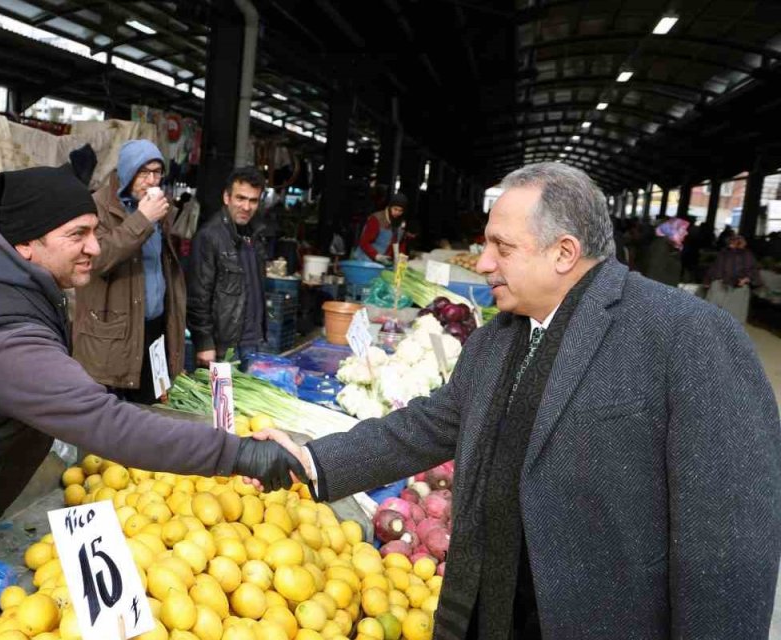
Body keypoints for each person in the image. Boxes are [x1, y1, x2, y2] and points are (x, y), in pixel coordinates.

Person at [256, 162, 781, 639]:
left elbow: (729, 545)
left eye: (502, 248)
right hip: (494, 613)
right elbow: (425, 426)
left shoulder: (684, 335)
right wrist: (309, 460)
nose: (483, 264)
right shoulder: (498, 337)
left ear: (564, 252)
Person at [0, 163, 305, 550]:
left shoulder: (3, 279)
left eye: (93, 230)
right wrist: (239, 453)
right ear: (27, 244)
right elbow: (106, 423)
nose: (94, 246)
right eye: (78, 234)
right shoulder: (0, 337)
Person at [73, 140, 184, 403]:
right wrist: (142, 220)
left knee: (152, 411)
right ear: (126, 171)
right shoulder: (96, 206)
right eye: (143, 173)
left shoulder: (157, 209)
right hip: (114, 337)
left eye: (157, 172)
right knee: (114, 423)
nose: (151, 180)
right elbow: (95, 259)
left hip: (154, 332)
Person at [187, 167, 269, 366]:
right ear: (227, 197)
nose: (246, 207)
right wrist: (204, 343)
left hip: (252, 340)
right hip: (225, 347)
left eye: (253, 200)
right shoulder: (210, 236)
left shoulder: (255, 235)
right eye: (240, 198)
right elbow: (198, 296)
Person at [704, 233, 761, 324]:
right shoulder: (744, 255)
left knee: (717, 316)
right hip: (728, 286)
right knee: (731, 317)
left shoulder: (727, 254)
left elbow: (714, 269)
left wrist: (707, 281)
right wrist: (746, 279)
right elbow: (753, 273)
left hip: (730, 286)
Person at [353, 192, 410, 264]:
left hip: (382, 262)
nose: (397, 213)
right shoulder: (376, 219)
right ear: (390, 207)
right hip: (364, 260)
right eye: (395, 209)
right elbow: (364, 242)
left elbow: (400, 244)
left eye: (400, 211)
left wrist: (402, 261)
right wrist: (376, 256)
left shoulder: (400, 223)